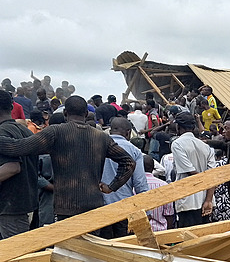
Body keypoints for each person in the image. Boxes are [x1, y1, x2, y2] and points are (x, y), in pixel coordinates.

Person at [0, 95, 135, 220]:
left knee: (67, 246)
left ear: (65, 113)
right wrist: (111, 187)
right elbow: (129, 162)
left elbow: (18, 147)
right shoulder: (101, 137)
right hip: (94, 205)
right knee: (91, 245)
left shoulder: (55, 133)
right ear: (86, 114)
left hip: (66, 206)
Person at [99, 117, 149, 238]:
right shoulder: (134, 151)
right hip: (124, 209)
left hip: (100, 209)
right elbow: (140, 184)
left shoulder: (97, 147)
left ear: (111, 130)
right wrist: (147, 211)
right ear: (128, 132)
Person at [0, 91, 38, 238]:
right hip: (26, 202)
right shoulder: (25, 131)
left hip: (10, 208)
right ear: (11, 107)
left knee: (15, 256)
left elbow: (12, 168)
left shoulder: (2, 133)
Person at [170, 113, 216, 227]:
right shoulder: (205, 146)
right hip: (205, 199)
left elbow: (190, 171)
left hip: (188, 199)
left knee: (188, 238)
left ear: (178, 127)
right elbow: (212, 175)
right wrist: (209, 199)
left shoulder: (177, 144)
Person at [142, 155, 174, 231]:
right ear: (153, 168)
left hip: (140, 232)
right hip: (161, 231)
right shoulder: (164, 185)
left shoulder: (133, 186)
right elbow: (169, 213)